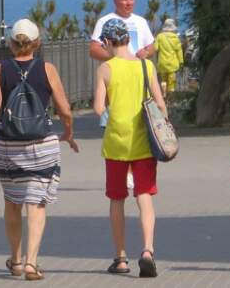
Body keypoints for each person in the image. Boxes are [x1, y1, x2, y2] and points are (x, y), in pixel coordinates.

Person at [0, 19, 79, 281]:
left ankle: (16, 260)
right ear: (37, 43)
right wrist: (67, 132)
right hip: (41, 143)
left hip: (8, 145)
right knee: (36, 204)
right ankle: (32, 263)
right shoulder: (47, 69)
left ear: (11, 44)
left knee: (12, 203)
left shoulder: (1, 70)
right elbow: (65, 110)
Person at [94, 17, 167, 278]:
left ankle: (121, 257)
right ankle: (147, 249)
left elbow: (99, 108)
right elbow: (159, 103)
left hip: (116, 142)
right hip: (144, 143)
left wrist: (112, 114)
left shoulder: (105, 69)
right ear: (128, 38)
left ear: (107, 42)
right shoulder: (147, 66)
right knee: (144, 196)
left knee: (117, 199)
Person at [89, 0, 156, 61]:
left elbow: (151, 47)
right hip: (116, 71)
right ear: (115, 1)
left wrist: (146, 53)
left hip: (138, 70)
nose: (129, 3)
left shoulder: (141, 21)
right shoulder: (104, 21)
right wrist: (117, 59)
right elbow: (94, 50)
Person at [154, 18, 185, 97]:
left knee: (163, 80)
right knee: (171, 81)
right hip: (173, 64)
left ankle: (163, 94)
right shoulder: (176, 38)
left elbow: (155, 48)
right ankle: (170, 96)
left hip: (162, 63)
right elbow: (179, 51)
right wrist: (181, 61)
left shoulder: (159, 36)